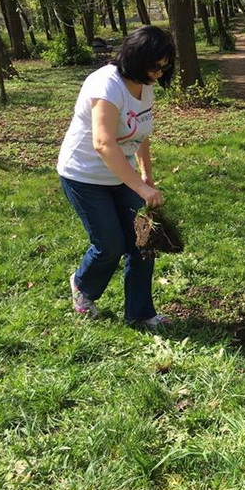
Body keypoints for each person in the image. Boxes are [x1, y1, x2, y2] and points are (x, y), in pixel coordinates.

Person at [57, 25, 176, 330]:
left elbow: (141, 132)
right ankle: (83, 287)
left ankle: (140, 313)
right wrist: (138, 186)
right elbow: (103, 143)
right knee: (109, 244)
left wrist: (146, 174)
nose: (160, 73)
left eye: (165, 67)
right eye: (155, 66)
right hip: (84, 174)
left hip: (119, 174)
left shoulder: (144, 83)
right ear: (135, 58)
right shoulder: (105, 85)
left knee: (142, 242)